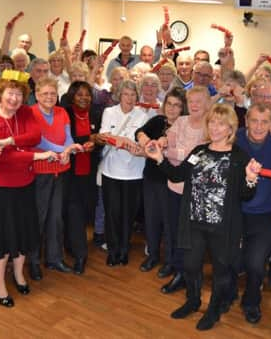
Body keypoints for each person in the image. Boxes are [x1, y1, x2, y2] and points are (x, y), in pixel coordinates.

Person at [145, 103, 259, 331]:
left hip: (223, 226)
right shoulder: (200, 151)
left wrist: (250, 178)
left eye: (221, 123)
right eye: (212, 122)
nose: (216, 128)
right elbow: (178, 176)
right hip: (194, 220)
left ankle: (214, 309)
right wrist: (159, 158)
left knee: (221, 269)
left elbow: (246, 195)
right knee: (190, 264)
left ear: (231, 128)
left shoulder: (239, 157)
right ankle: (193, 300)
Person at [0, 72, 54, 308]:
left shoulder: (26, 112)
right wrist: (36, 155)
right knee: (1, 237)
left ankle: (19, 275)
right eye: (10, 93)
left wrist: (9, 141)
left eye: (19, 94)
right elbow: (0, 158)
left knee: (23, 232)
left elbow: (35, 135)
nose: (14, 98)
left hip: (24, 184)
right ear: (1, 94)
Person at [235, 103, 271, 323]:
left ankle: (251, 301)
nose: (259, 126)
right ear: (246, 121)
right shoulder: (236, 137)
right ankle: (227, 294)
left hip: (265, 214)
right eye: (254, 121)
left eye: (264, 121)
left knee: (256, 263)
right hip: (236, 210)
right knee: (230, 258)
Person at [160, 86, 211, 293]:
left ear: (208, 104)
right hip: (174, 185)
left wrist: (172, 152)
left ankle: (185, 273)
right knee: (173, 230)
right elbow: (167, 145)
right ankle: (176, 267)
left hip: (196, 191)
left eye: (199, 101)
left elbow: (195, 157)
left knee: (190, 237)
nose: (195, 105)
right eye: (191, 101)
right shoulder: (180, 121)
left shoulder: (211, 127)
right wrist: (165, 144)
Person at [28, 77, 81, 280]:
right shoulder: (30, 113)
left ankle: (54, 258)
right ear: (37, 95)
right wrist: (64, 151)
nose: (49, 97)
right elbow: (39, 140)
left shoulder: (62, 112)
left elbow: (68, 136)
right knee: (38, 218)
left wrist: (69, 148)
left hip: (61, 171)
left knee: (56, 217)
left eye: (53, 93)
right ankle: (33, 261)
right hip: (40, 172)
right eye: (45, 94)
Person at [135, 87, 186, 274]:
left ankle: (170, 261)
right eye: (169, 104)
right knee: (151, 219)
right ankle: (153, 255)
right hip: (151, 177)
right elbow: (139, 131)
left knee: (169, 222)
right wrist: (144, 139)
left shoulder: (184, 126)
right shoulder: (157, 120)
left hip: (170, 180)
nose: (172, 109)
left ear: (183, 108)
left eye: (177, 105)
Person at [98, 80, 147, 266]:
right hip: (111, 171)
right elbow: (104, 136)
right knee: (112, 213)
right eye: (126, 94)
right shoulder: (109, 112)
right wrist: (119, 140)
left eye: (133, 94)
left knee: (128, 214)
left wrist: (121, 140)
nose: (129, 98)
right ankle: (113, 250)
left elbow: (140, 143)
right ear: (119, 95)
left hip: (134, 172)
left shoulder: (142, 116)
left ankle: (124, 249)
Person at [63, 81, 104, 274]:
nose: (83, 98)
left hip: (89, 173)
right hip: (69, 174)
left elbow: (101, 142)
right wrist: (90, 138)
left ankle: (72, 246)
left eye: (87, 94)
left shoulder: (96, 113)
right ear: (72, 95)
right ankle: (81, 255)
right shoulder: (66, 113)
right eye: (79, 94)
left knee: (84, 212)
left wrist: (97, 142)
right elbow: (65, 140)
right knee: (74, 212)